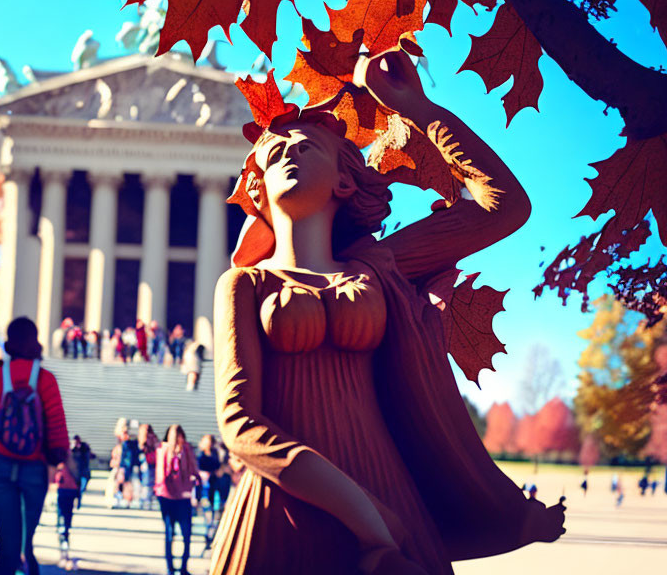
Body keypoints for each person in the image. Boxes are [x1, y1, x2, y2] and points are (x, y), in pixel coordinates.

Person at [210, 51, 566, 573]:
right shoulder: (245, 284)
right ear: (257, 191)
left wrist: (415, 107)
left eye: (306, 146)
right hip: (288, 511)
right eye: (274, 151)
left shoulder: (376, 268)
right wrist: (368, 519)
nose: (287, 152)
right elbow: (238, 423)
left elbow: (505, 206)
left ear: (345, 183)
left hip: (389, 490)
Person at [0, 317, 69, 575]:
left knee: (7, 548)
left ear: (9, 342)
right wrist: (58, 461)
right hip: (34, 468)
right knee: (25, 544)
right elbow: (56, 424)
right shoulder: (46, 380)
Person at [156, 424, 199, 575]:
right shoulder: (162, 450)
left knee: (186, 534)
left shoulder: (187, 450)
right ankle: (170, 567)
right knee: (169, 533)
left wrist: (195, 487)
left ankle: (183, 568)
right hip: (168, 497)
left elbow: (194, 469)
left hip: (183, 498)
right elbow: (161, 476)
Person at [54, 457, 80, 569]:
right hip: (67, 490)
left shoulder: (65, 461)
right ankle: (64, 544)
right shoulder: (71, 461)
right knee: (65, 519)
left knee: (63, 520)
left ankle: (64, 545)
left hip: (66, 490)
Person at [197, 435, 222, 522]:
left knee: (215, 505)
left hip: (214, 483)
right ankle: (208, 525)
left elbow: (218, 465)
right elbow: (197, 468)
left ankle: (212, 525)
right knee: (206, 505)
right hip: (205, 484)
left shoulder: (215, 452)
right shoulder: (200, 454)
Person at [138, 423, 160, 509]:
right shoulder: (155, 438)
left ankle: (146, 502)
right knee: (151, 483)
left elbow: (141, 449)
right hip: (154, 463)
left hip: (147, 463)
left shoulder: (145, 439)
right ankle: (151, 502)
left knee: (146, 483)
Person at [71, 435, 95, 507]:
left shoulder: (85, 448)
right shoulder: (72, 450)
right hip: (75, 473)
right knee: (75, 489)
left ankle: (78, 502)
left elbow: (91, 456)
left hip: (83, 473)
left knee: (81, 489)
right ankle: (75, 502)